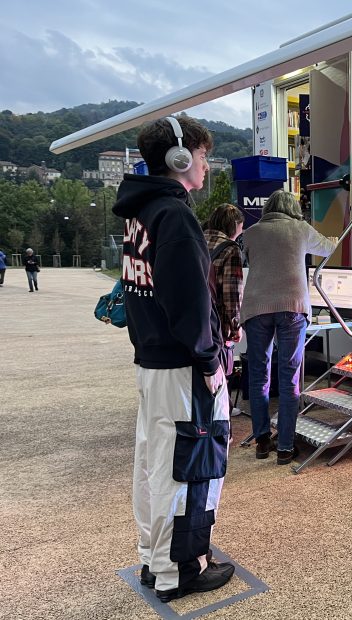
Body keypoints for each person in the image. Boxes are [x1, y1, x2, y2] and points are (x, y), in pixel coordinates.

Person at [112, 116, 234, 602]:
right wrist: (209, 362)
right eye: (202, 155)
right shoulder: (175, 217)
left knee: (156, 465)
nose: (206, 164)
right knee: (190, 467)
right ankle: (182, 570)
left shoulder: (140, 213)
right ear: (180, 158)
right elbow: (190, 305)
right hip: (183, 369)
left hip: (153, 362)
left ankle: (156, 559)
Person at [240, 189, 336, 466]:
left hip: (256, 308)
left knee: (258, 375)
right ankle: (284, 447)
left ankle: (261, 441)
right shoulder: (300, 229)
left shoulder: (251, 232)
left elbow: (246, 259)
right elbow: (328, 249)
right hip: (293, 306)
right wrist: (331, 240)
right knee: (289, 376)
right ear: (292, 209)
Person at [203, 203, 245, 378]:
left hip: (193, 323)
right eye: (241, 228)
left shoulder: (197, 240)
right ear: (234, 225)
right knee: (218, 379)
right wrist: (235, 327)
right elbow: (232, 294)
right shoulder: (230, 249)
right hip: (216, 324)